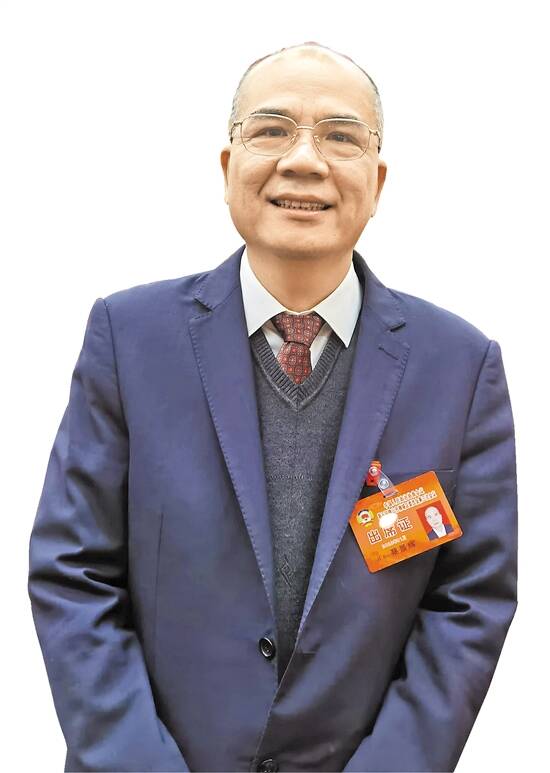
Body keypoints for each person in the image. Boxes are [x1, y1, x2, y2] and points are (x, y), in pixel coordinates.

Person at [28, 41, 518, 773]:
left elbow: (469, 601)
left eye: (341, 137)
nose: (304, 160)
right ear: (229, 167)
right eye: (272, 129)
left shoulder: (459, 367)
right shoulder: (130, 340)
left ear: (377, 181)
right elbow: (73, 573)